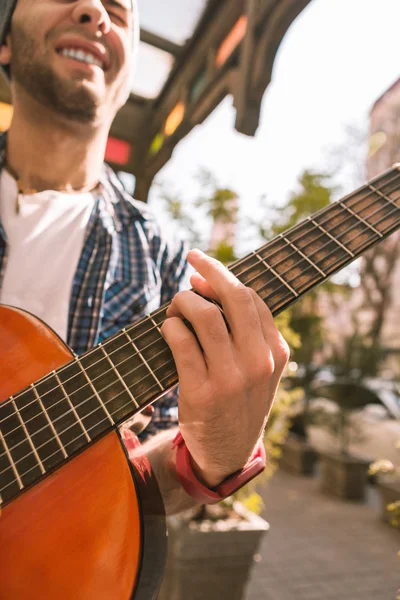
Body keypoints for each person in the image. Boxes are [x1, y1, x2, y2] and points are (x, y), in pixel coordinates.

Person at [0, 0, 289, 515]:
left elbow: (145, 478)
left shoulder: (169, 261)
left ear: (128, 67)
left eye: (118, 7)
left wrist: (211, 458)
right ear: (4, 40)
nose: (94, 10)